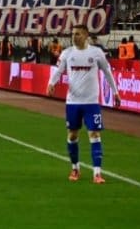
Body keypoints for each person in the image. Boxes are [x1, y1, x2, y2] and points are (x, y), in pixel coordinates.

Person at [47, 25, 118, 183]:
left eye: (78, 34)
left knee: (94, 134)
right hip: (73, 102)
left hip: (91, 102)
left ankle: (97, 173)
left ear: (86, 35)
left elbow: (107, 72)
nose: (74, 36)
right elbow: (58, 71)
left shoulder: (96, 53)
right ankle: (75, 168)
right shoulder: (67, 53)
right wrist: (51, 83)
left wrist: (115, 91)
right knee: (72, 135)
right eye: (73, 34)